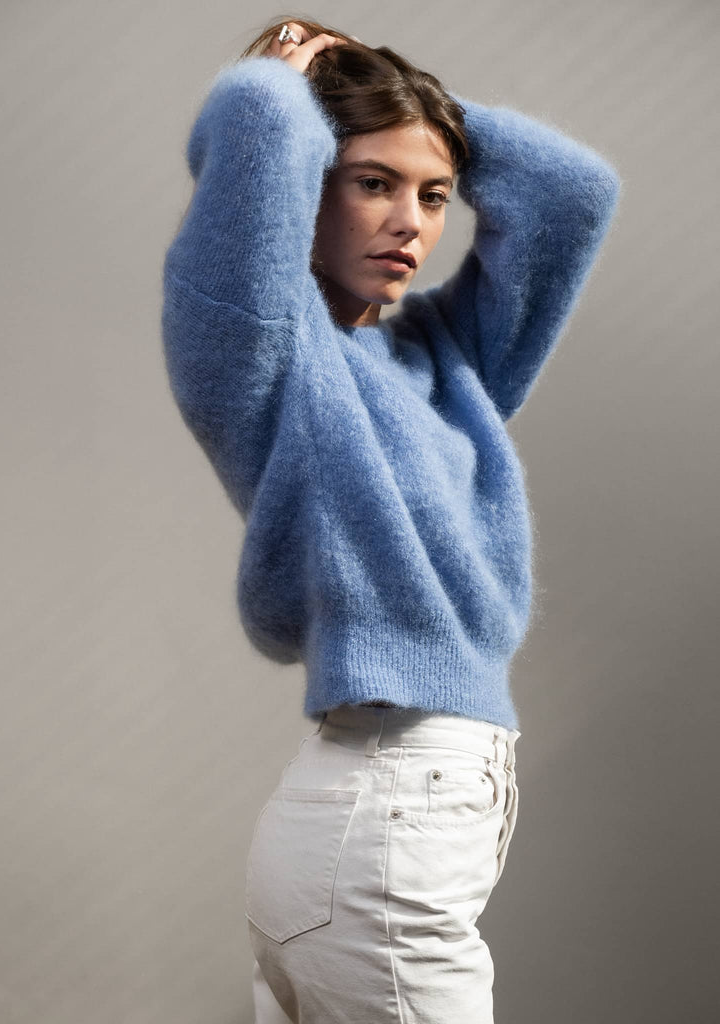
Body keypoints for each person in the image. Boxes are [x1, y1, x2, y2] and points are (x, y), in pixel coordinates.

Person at [160, 16, 621, 1022]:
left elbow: (573, 193)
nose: (410, 222)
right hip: (380, 835)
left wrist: (415, 106)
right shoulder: (261, 356)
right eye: (372, 182)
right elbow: (250, 143)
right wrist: (290, 88)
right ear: (303, 178)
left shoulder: (447, 360)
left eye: (435, 194)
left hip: (392, 827)